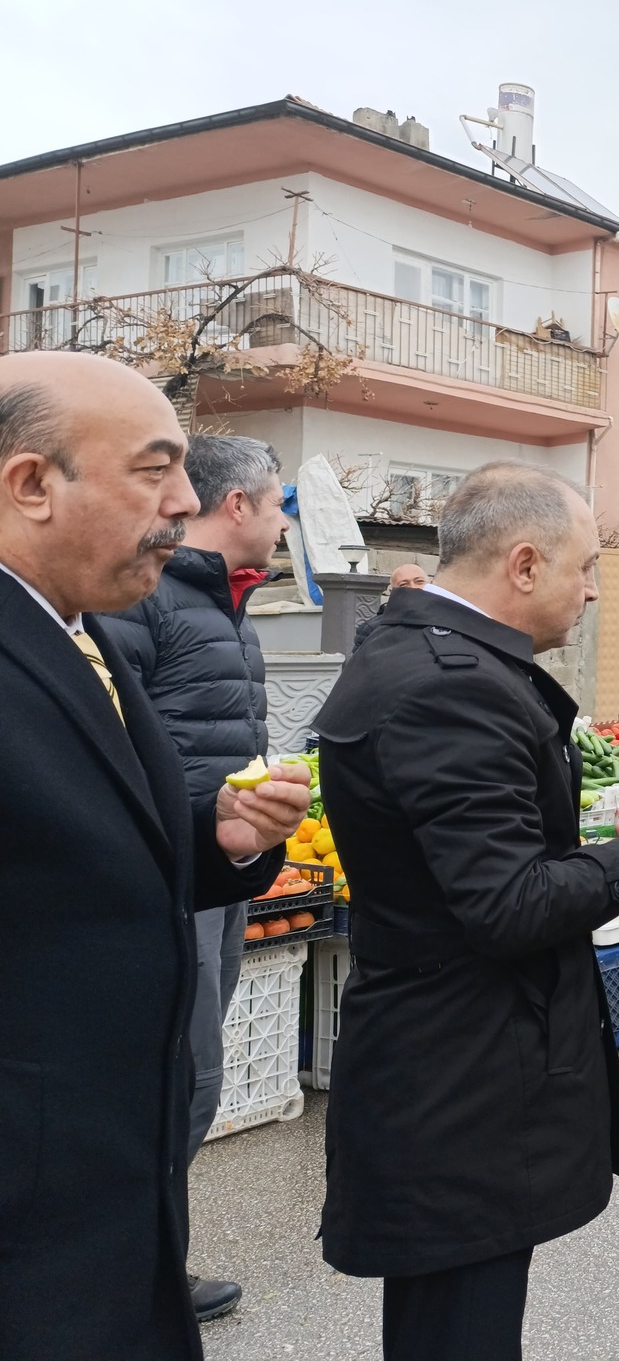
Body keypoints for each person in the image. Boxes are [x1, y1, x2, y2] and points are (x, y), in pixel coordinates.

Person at [314, 463, 619, 1361]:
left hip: (450, 1066)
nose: (595, 591)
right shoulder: (452, 684)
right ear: (523, 565)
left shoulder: (421, 655)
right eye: (586, 567)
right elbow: (508, 904)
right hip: (461, 1080)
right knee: (460, 1330)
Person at [0, 352, 309, 1361]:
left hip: (100, 1218)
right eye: (152, 468)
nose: (184, 502)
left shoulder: (80, 632)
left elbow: (70, 847)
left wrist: (212, 838)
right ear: (32, 484)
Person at [99, 434, 288, 1326]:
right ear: (238, 505)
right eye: (278, 501)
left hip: (222, 872)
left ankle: (151, 1260)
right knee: (183, 1075)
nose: (286, 522)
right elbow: (114, 741)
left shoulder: (226, 602)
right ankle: (135, 1271)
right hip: (163, 877)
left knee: (194, 1076)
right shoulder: (151, 596)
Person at [354, 562, 431, 650]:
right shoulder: (372, 630)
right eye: (404, 584)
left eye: (419, 582)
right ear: (392, 593)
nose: (413, 588)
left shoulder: (445, 619)